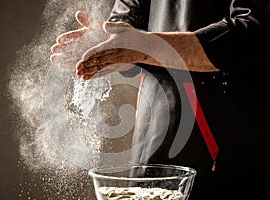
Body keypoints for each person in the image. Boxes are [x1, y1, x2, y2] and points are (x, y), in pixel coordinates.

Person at [50, 0, 270, 199]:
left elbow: (251, 34)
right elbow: (128, 19)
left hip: (233, 137)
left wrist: (146, 47)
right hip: (154, 130)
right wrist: (109, 44)